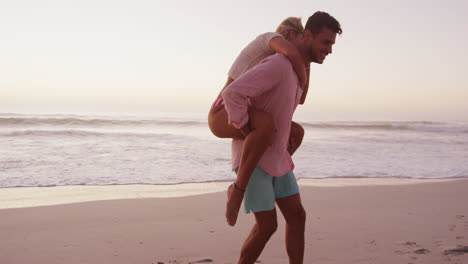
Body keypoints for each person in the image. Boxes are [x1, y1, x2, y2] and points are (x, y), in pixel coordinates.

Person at [221, 11, 342, 263]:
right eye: (326, 42)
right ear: (307, 35)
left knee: (297, 216)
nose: (330, 49)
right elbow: (233, 94)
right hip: (253, 160)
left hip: (277, 159)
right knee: (267, 227)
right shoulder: (279, 64)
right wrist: (247, 130)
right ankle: (236, 192)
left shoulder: (298, 71)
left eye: (332, 44)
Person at [208, 17, 308, 226]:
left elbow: (302, 98)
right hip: (220, 111)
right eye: (301, 38)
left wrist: (307, 64)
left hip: (241, 108)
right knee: (266, 125)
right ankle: (236, 190)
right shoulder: (269, 39)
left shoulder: (281, 63)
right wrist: (302, 61)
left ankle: (267, 169)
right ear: (290, 35)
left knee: (295, 132)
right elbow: (292, 53)